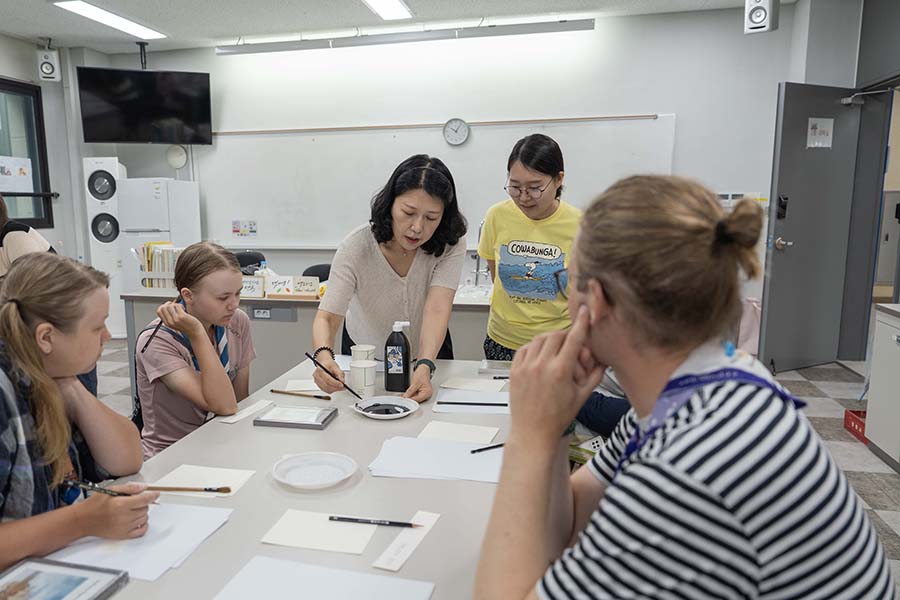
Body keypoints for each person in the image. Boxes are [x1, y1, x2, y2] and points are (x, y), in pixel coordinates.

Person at [474, 175, 895, 599]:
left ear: (595, 301)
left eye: (569, 284)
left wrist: (529, 435)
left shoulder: (688, 470)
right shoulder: (701, 390)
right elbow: (568, 525)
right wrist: (556, 425)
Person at [0, 253, 156, 569]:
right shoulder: (5, 393)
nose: (108, 337)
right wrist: (82, 520)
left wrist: (70, 385)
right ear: (46, 337)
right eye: (97, 327)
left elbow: (127, 458)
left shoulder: (50, 373)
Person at [478, 135, 627, 435]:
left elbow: (587, 295)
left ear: (559, 179)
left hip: (557, 349)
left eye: (535, 187)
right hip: (502, 344)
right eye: (514, 186)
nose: (523, 196)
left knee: (554, 433)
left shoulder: (579, 224)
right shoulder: (497, 216)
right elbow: (497, 278)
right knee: (500, 428)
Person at [311, 154, 467, 403]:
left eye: (431, 218)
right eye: (408, 212)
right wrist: (324, 358)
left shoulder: (450, 243)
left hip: (427, 351)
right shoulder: (357, 246)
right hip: (366, 353)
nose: (417, 227)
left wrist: (425, 365)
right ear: (390, 205)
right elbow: (328, 316)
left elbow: (437, 307)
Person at [136, 242, 255, 458]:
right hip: (172, 455)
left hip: (222, 441)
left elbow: (239, 401)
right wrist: (198, 334)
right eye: (223, 297)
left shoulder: (237, 322)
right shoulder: (157, 340)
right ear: (188, 296)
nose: (234, 304)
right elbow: (223, 405)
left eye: (238, 293)